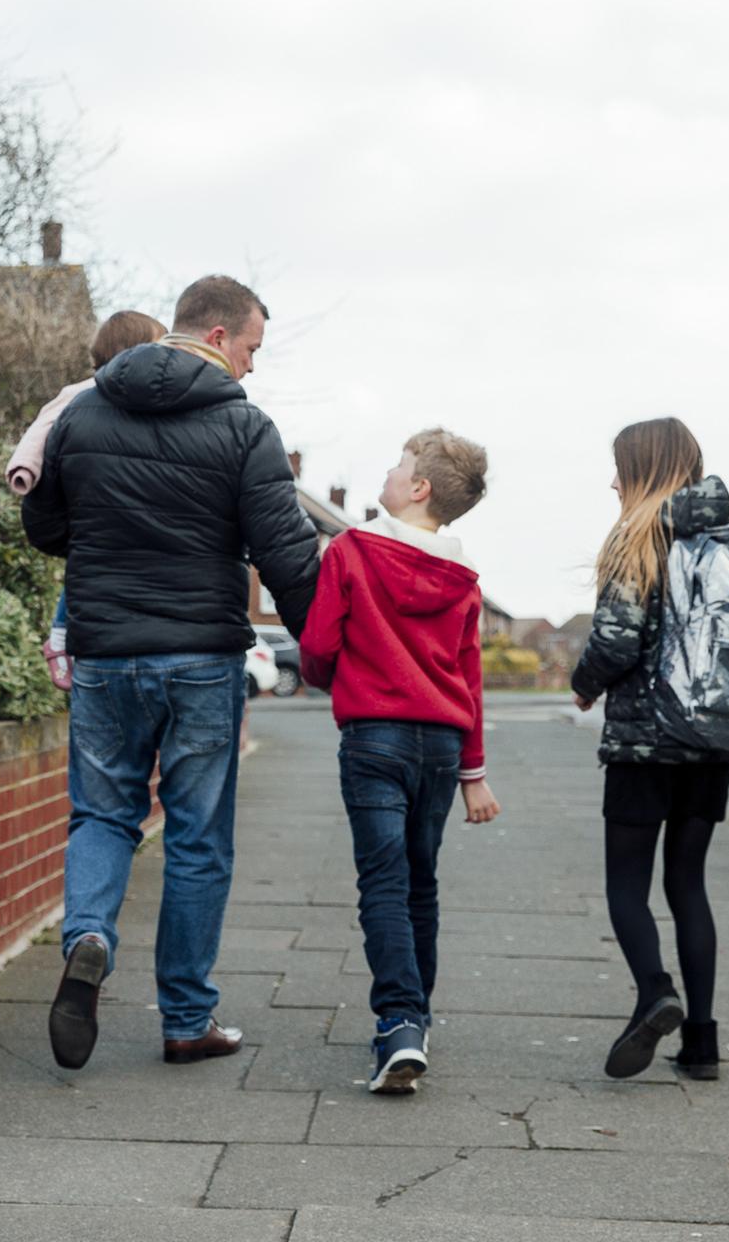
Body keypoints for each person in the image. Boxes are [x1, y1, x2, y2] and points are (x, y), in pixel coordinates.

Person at [22, 275, 320, 1071]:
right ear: (218, 336)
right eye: (253, 347)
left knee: (102, 815)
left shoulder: (82, 411)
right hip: (199, 658)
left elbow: (44, 523)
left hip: (107, 655)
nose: (253, 367)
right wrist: (322, 647)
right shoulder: (242, 424)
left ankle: (87, 935)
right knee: (196, 838)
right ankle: (187, 1019)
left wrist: (109, 539)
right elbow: (285, 552)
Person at [570, 417, 729, 1082]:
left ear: (643, 469)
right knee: (689, 884)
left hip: (641, 744)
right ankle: (703, 1044)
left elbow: (617, 639)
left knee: (626, 884)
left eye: (619, 467)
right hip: (710, 743)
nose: (610, 480)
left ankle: (656, 991)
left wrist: (584, 684)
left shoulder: (636, 535)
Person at [298, 429, 502, 1094]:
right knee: (420, 882)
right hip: (442, 748)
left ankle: (398, 1024)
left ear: (417, 489)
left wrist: (347, 680)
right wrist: (475, 774)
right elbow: (469, 682)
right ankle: (418, 1014)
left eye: (398, 465)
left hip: (375, 739)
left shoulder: (352, 551)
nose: (388, 472)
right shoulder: (464, 579)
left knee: (383, 885)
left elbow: (319, 645)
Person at [5, 309, 168, 691]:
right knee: (83, 564)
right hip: (92, 522)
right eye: (158, 347)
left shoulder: (141, 403)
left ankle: (62, 635)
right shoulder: (82, 394)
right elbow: (40, 428)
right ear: (133, 351)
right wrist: (24, 469)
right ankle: (59, 637)